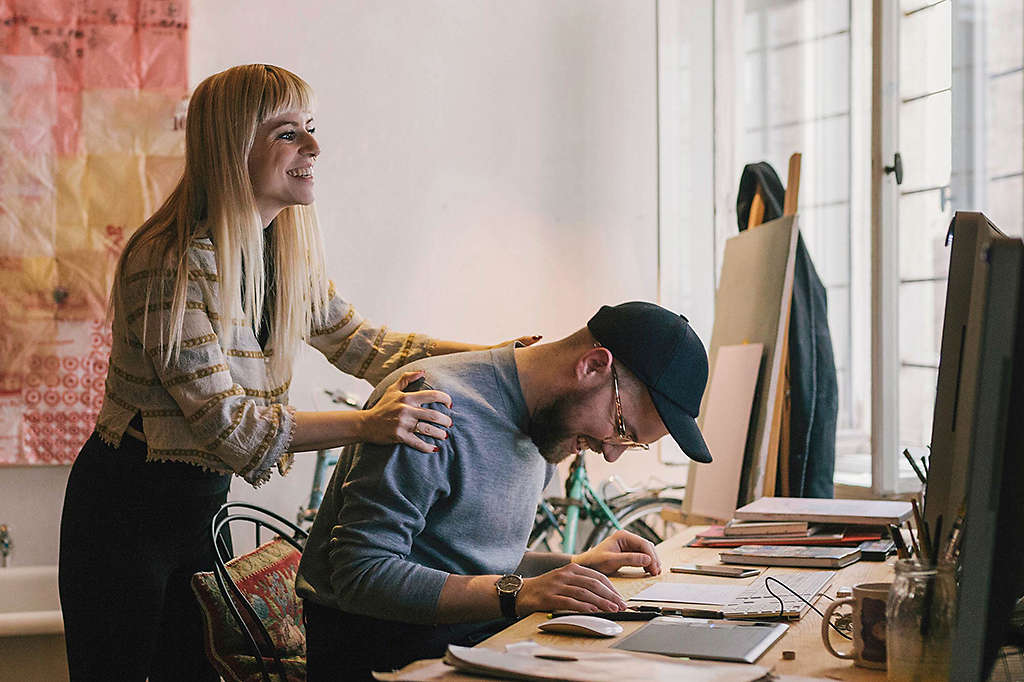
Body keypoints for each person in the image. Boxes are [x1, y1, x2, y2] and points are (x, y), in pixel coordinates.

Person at [57, 64, 536, 682]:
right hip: (123, 516)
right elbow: (229, 427)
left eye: (311, 128)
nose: (314, 148)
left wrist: (496, 358)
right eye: (288, 133)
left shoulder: (282, 252)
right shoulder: (170, 259)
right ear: (234, 147)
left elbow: (365, 345)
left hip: (197, 511)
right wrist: (370, 426)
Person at [296, 300, 713, 680]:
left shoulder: (546, 429)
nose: (610, 454)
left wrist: (574, 565)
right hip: (382, 654)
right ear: (592, 366)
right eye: (621, 429)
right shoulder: (433, 406)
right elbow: (360, 573)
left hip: (476, 643)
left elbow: (466, 556)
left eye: (630, 444)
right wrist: (520, 592)